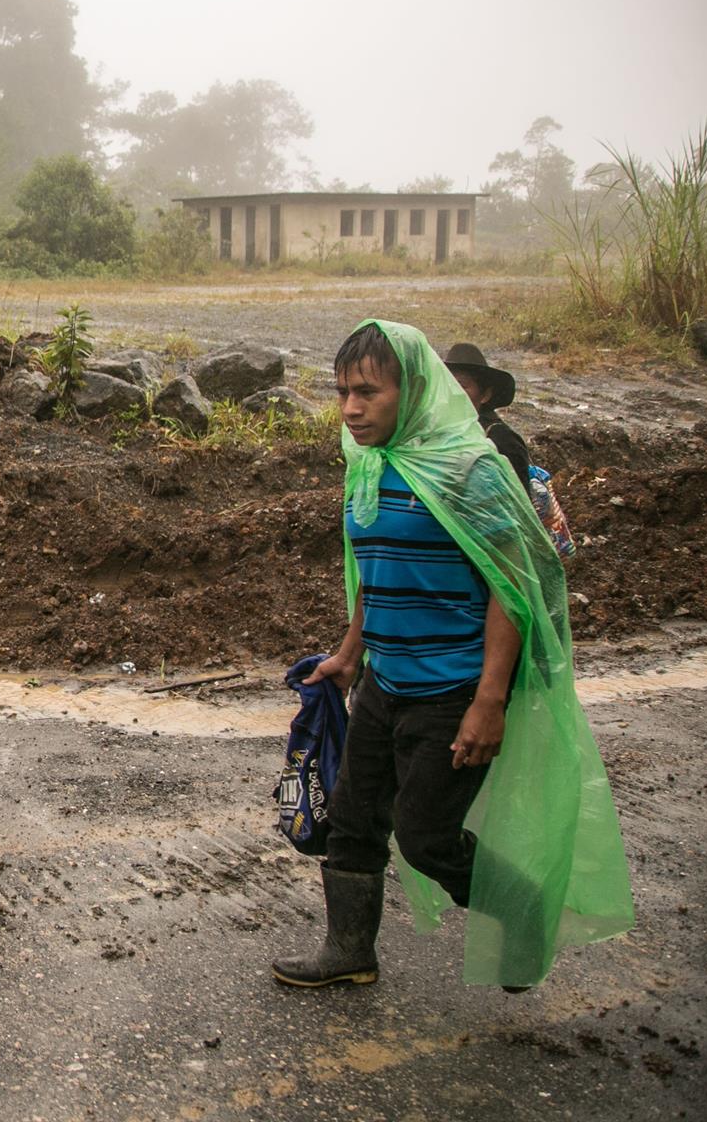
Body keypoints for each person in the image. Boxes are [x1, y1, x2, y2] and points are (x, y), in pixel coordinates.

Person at [273, 320, 631, 991]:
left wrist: (489, 701)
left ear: (410, 391)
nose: (350, 408)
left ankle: (522, 909)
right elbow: (369, 571)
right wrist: (350, 654)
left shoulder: (472, 472)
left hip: (454, 690)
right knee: (351, 822)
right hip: (384, 682)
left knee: (427, 836)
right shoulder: (369, 465)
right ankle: (349, 950)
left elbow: (513, 588)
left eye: (368, 393)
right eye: (343, 392)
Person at [444, 342, 530, 489]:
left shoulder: (503, 440)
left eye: (462, 385)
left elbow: (517, 501)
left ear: (485, 395)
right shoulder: (440, 429)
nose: (453, 392)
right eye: (448, 383)